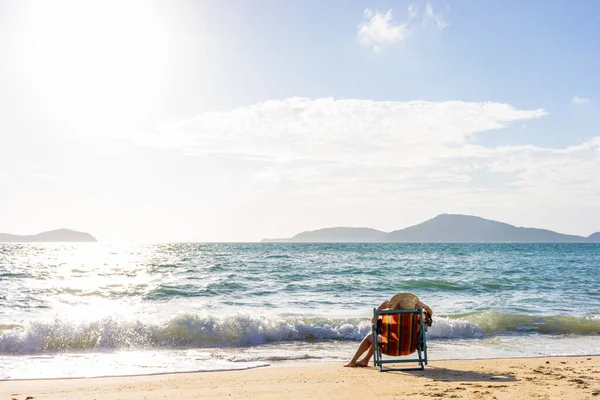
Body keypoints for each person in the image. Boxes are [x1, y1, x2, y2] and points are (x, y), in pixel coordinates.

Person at [344, 293, 433, 368]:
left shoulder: (390, 318)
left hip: (390, 347)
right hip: (411, 346)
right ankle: (365, 360)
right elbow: (430, 315)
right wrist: (425, 306)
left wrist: (379, 309)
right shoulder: (419, 317)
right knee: (377, 337)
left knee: (371, 337)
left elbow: (373, 322)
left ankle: (353, 361)